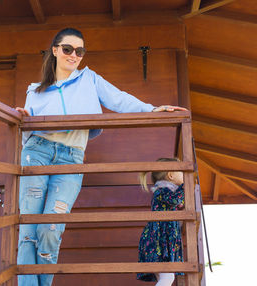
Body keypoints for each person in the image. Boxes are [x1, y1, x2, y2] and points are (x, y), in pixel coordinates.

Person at [15, 27, 187, 286]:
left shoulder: (89, 79)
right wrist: (23, 117)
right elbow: (27, 121)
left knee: (50, 228)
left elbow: (118, 99)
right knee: (28, 230)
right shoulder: (36, 90)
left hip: (71, 157)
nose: (74, 55)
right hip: (36, 153)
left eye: (79, 51)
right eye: (68, 49)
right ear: (55, 51)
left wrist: (152, 109)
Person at [137, 158, 185, 286]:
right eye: (182, 172)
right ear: (170, 175)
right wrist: (187, 185)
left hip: (162, 242)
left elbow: (178, 202)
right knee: (168, 278)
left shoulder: (167, 192)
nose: (185, 175)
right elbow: (175, 200)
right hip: (158, 243)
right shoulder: (162, 191)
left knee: (167, 278)